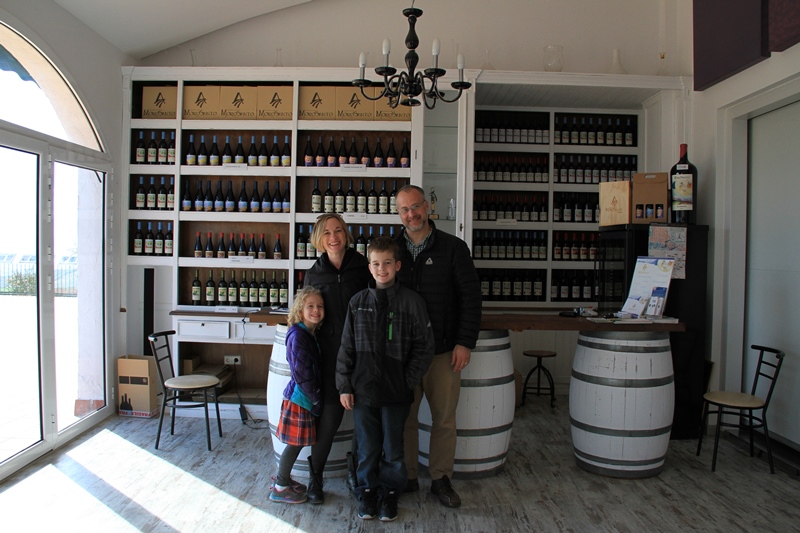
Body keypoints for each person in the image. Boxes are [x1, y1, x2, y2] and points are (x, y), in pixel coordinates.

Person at [394, 184, 482, 508]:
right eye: (404, 210)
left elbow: (471, 298)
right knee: (404, 418)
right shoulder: (391, 249)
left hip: (444, 351)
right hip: (402, 353)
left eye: (416, 206)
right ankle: (407, 477)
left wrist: (464, 342)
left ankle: (440, 479)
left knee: (444, 419)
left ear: (428, 207)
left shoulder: (453, 248)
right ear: (398, 214)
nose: (412, 214)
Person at [337, 237, 434, 522]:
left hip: (396, 390)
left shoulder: (411, 302)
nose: (382, 269)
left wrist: (407, 380)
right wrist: (344, 385)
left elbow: (424, 346)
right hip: (363, 389)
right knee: (367, 446)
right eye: (376, 264)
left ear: (398, 265)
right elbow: (346, 347)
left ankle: (390, 493)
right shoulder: (358, 303)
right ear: (369, 267)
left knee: (393, 446)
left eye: (387, 263)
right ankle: (367, 492)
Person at [303, 213, 371, 503]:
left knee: (364, 419)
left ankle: (356, 472)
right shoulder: (314, 274)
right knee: (329, 420)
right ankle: (315, 476)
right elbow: (307, 315)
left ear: (346, 234)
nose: (334, 237)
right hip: (331, 357)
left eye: (339, 230)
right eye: (327, 232)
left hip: (363, 354)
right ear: (319, 239)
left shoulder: (363, 267)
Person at [270, 286, 325, 504]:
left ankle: (283, 480)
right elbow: (302, 373)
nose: (316, 310)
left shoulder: (309, 333)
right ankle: (280, 486)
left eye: (320, 306)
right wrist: (316, 397)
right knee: (295, 444)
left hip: (303, 397)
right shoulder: (298, 336)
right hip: (300, 398)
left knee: (297, 443)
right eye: (310, 306)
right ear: (300, 310)